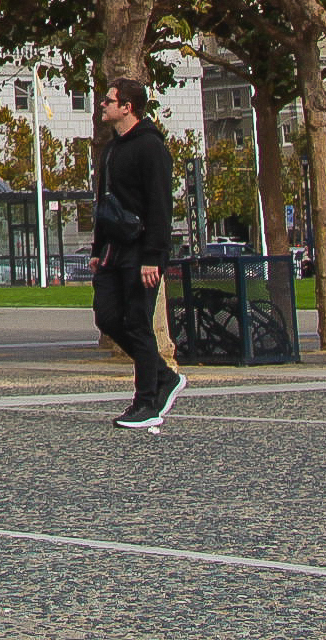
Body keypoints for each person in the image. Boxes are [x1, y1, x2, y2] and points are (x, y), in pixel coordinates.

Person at [93, 76, 184, 429]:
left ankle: (146, 401)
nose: (103, 104)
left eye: (109, 100)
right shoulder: (112, 148)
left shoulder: (151, 148)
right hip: (114, 251)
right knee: (107, 317)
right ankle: (164, 376)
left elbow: (161, 207)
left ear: (127, 107)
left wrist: (153, 256)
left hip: (142, 252)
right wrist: (99, 248)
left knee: (138, 323)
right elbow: (106, 202)